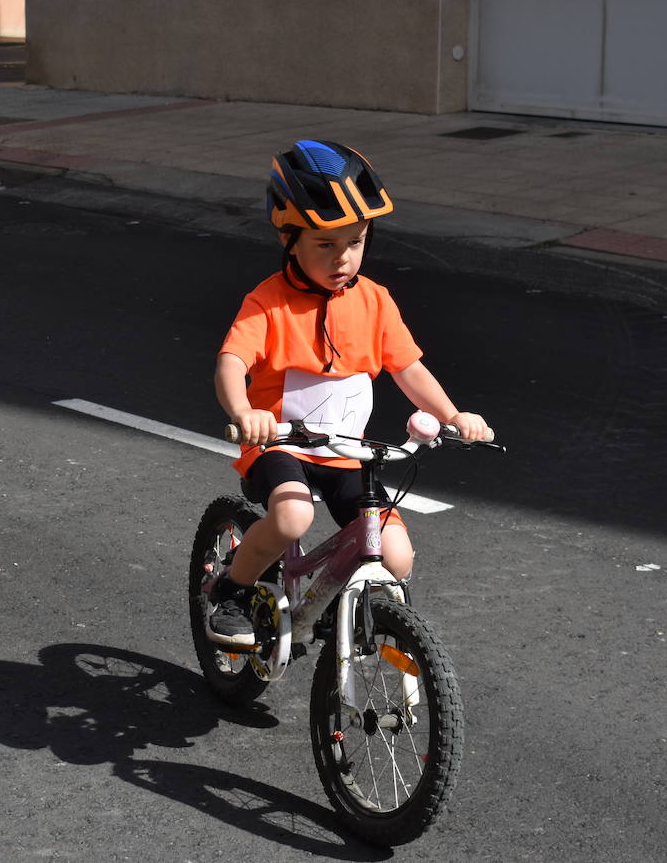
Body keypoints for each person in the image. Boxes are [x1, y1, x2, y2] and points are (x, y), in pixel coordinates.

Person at [207, 140, 493, 647]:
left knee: (396, 555)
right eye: (326, 244)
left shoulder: (375, 301)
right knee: (294, 515)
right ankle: (233, 588)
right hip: (281, 444)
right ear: (290, 239)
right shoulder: (267, 302)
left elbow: (409, 368)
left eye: (356, 242)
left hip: (346, 453)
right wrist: (244, 410)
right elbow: (232, 361)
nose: (344, 258)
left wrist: (453, 415)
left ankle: (340, 611)